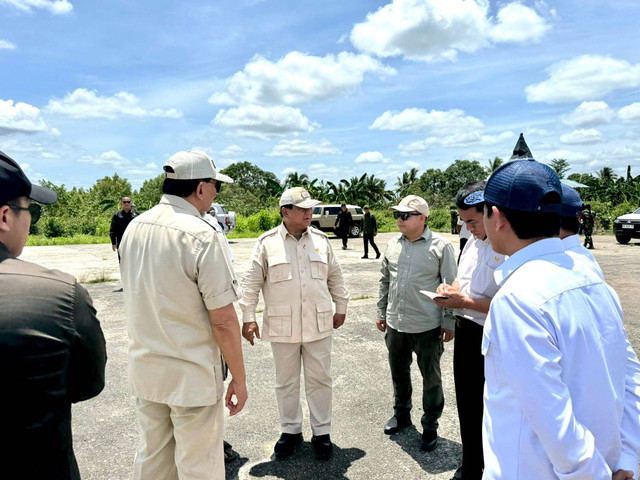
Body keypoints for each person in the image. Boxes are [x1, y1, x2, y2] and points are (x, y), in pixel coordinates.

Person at [480, 159, 640, 480]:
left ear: (497, 218)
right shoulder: (592, 280)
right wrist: (629, 457)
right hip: (609, 464)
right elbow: (630, 379)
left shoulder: (518, 298)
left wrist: (590, 474)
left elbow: (551, 413)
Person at [119, 150, 247, 480]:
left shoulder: (134, 227)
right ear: (202, 187)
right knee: (199, 467)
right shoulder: (202, 234)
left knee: (154, 461)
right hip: (190, 377)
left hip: (147, 370)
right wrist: (239, 378)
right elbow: (223, 319)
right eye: (216, 186)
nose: (217, 193)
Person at [0, 151, 107, 480]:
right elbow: (89, 383)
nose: (30, 220)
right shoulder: (60, 293)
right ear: (4, 216)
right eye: (28, 209)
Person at [240, 187, 350, 460]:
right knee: (285, 382)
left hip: (319, 323)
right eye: (302, 209)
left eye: (310, 209)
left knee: (320, 380)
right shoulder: (267, 243)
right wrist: (248, 317)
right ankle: (290, 431)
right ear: (284, 211)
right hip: (282, 327)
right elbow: (250, 284)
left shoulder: (322, 241)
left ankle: (322, 433)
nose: (308, 214)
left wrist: (342, 306)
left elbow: (335, 276)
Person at [432, 182, 505, 480]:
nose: (467, 227)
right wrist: (448, 290)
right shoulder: (472, 241)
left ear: (491, 213)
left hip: (494, 336)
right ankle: (471, 465)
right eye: (463, 221)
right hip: (466, 330)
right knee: (467, 403)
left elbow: (508, 303)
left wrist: (466, 301)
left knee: (495, 407)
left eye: (472, 221)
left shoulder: (508, 248)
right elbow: (462, 282)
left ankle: (493, 468)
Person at [376, 195, 457, 451]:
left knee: (430, 379)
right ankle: (401, 415)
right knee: (399, 374)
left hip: (427, 326)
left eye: (405, 215)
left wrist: (449, 322)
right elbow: (385, 282)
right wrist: (381, 312)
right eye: (397, 215)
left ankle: (430, 424)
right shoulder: (392, 245)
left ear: (422, 218)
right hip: (396, 323)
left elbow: (450, 288)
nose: (399, 219)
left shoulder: (441, 247)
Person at [559, 184, 602, 279]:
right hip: (587, 226)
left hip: (586, 226)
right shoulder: (588, 259)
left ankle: (589, 244)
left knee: (588, 236)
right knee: (588, 236)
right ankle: (589, 244)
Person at [110, 196, 138, 261]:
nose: (126, 203)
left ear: (131, 203)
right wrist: (113, 243)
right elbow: (112, 229)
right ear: (121, 204)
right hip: (121, 241)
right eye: (124, 202)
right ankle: (123, 271)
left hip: (134, 241)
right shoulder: (117, 215)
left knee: (134, 260)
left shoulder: (136, 215)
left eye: (128, 202)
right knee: (122, 260)